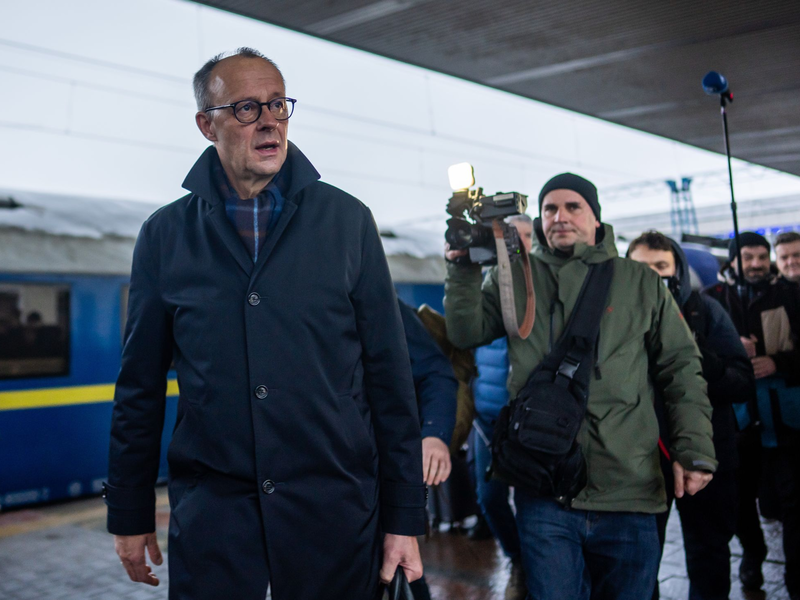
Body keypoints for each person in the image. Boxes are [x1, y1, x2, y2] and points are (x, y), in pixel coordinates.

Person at [105, 48, 426, 600]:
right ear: (207, 124)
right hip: (214, 515)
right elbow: (139, 387)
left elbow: (390, 380)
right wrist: (128, 511)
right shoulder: (164, 236)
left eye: (278, 104)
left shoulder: (348, 223)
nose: (270, 120)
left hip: (335, 508)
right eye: (248, 108)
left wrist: (405, 519)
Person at [444, 172, 716, 600]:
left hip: (629, 486)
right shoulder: (517, 277)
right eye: (550, 208)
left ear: (595, 218)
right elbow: (465, 331)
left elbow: (681, 368)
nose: (560, 216)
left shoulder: (639, 282)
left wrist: (694, 449)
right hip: (544, 490)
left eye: (574, 207)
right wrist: (460, 269)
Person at [628, 230, 755, 600]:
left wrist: (694, 356)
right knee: (639, 559)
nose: (652, 276)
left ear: (677, 271)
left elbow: (741, 382)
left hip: (706, 453)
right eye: (641, 268)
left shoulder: (705, 312)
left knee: (709, 553)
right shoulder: (613, 320)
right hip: (640, 461)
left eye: (660, 266)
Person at [705, 232, 800, 599]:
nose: (757, 264)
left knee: (793, 506)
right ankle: (753, 552)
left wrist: (779, 361)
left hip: (787, 422)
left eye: (763, 257)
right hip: (739, 424)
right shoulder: (712, 302)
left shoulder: (791, 295)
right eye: (749, 257)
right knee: (740, 504)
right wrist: (729, 347)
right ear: (733, 261)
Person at [471, 215, 532, 600]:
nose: (517, 244)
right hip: (486, 419)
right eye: (509, 236)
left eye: (525, 236)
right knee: (489, 498)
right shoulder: (486, 287)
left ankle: (535, 568)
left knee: (531, 503)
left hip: (528, 422)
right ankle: (518, 558)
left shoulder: (543, 288)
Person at [397, 298, 458, 600]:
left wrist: (434, 434)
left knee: (401, 566)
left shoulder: (373, 299)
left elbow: (434, 371)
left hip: (372, 473)